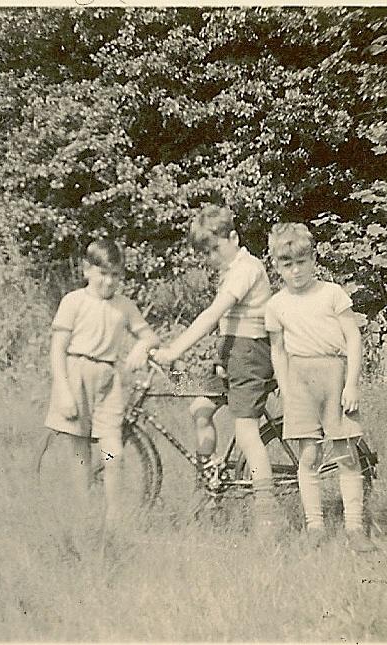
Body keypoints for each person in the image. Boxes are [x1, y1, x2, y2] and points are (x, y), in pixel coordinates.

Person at [152, 205, 281, 533]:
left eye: (215, 248)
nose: (211, 256)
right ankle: (210, 488)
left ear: (234, 238)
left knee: (246, 431)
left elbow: (212, 315)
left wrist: (174, 350)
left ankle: (267, 515)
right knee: (198, 405)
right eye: (205, 252)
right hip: (230, 354)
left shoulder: (247, 268)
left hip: (252, 356)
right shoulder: (229, 270)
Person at [264, 222, 376, 552]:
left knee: (345, 454)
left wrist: (352, 383)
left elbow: (353, 338)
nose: (296, 270)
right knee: (308, 456)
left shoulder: (331, 293)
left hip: (334, 375)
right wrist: (285, 387)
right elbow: (278, 349)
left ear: (313, 259)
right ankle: (315, 527)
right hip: (299, 379)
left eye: (302, 261)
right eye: (288, 264)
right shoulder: (276, 304)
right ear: (277, 266)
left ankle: (355, 527)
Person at [43, 239, 159, 528]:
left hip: (108, 382)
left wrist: (140, 347)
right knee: (80, 451)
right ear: (87, 270)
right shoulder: (74, 301)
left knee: (113, 452)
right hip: (76, 375)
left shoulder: (124, 306)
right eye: (103, 273)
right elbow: (57, 349)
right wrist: (63, 391)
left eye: (115, 275)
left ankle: (113, 518)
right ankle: (84, 516)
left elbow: (149, 336)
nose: (108, 281)